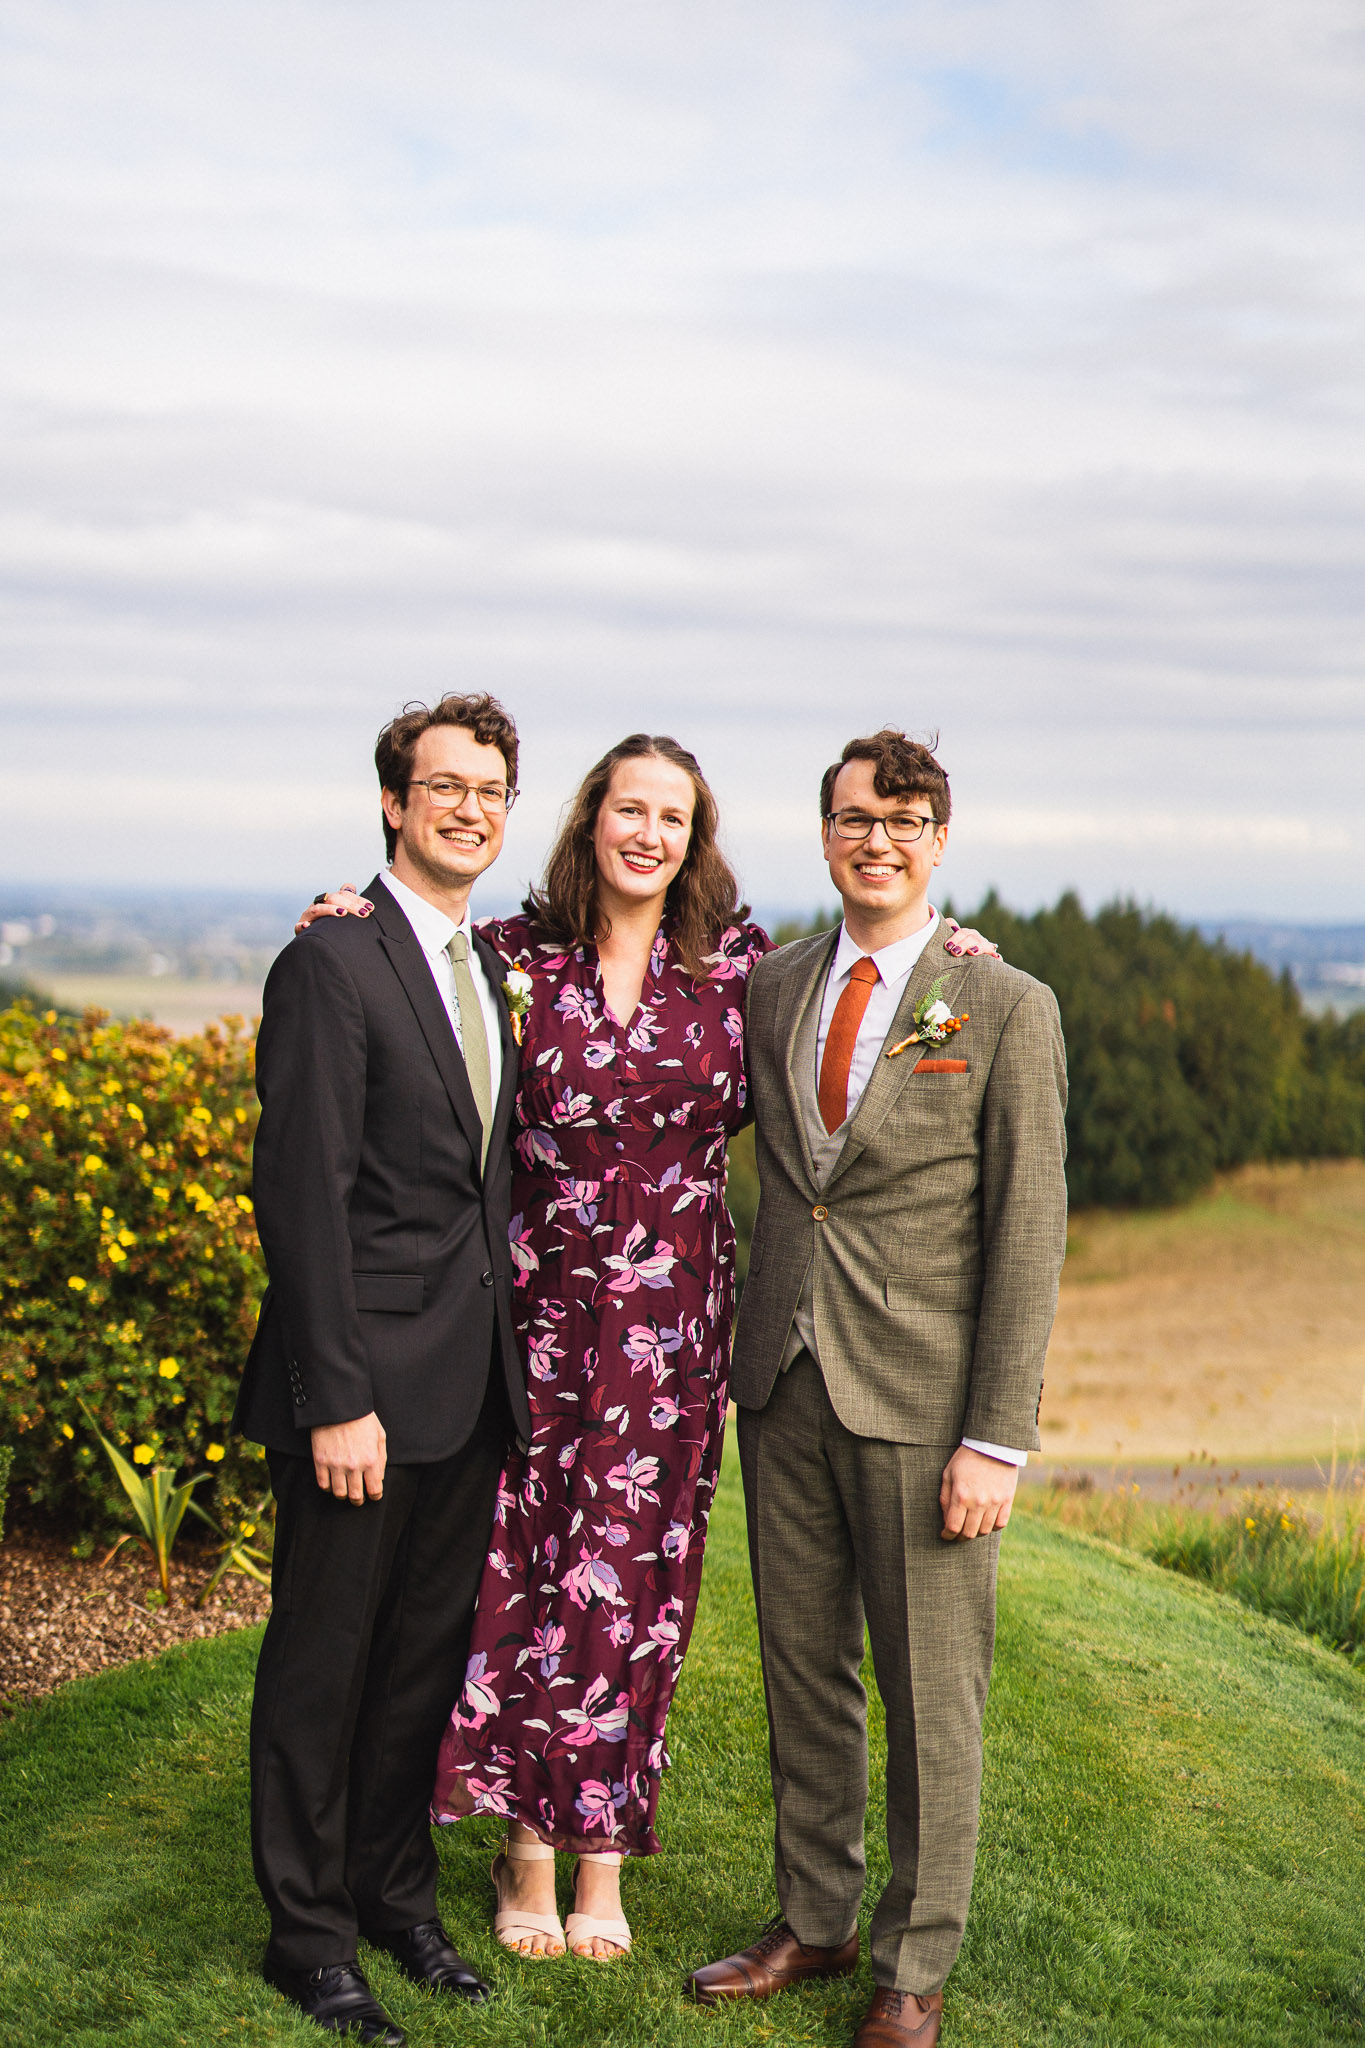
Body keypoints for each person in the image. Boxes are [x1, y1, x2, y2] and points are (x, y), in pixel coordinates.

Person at [300, 733, 1000, 1972]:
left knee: (636, 1587)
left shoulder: (742, 969)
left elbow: (873, 984)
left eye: (673, 817)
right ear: (592, 819)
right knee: (525, 1573)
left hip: (676, 1330)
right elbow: (411, 964)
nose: (649, 833)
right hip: (531, 1316)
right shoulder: (513, 957)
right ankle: (526, 1847)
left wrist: (958, 956)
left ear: (695, 839)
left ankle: (603, 1854)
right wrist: (344, 915)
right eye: (630, 808)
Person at [684, 730, 1067, 2048]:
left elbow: (1028, 1231)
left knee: (931, 1696)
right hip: (781, 1381)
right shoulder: (773, 983)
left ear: (940, 841)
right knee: (804, 1671)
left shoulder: (1004, 1005)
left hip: (923, 1400)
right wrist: (371, 910)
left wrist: (996, 1438)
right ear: (826, 831)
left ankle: (912, 1965)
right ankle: (817, 1916)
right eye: (856, 818)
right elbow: (625, 965)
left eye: (905, 822)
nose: (878, 841)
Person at [238, 692, 533, 2046]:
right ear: (393, 801)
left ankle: (392, 1895)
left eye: (490, 790)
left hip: (469, 1388)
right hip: (360, 1395)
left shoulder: (491, 964)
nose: (469, 808)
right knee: (324, 1666)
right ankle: (308, 1937)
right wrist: (335, 1398)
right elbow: (299, 1194)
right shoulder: (332, 961)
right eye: (445, 785)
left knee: (419, 1668)